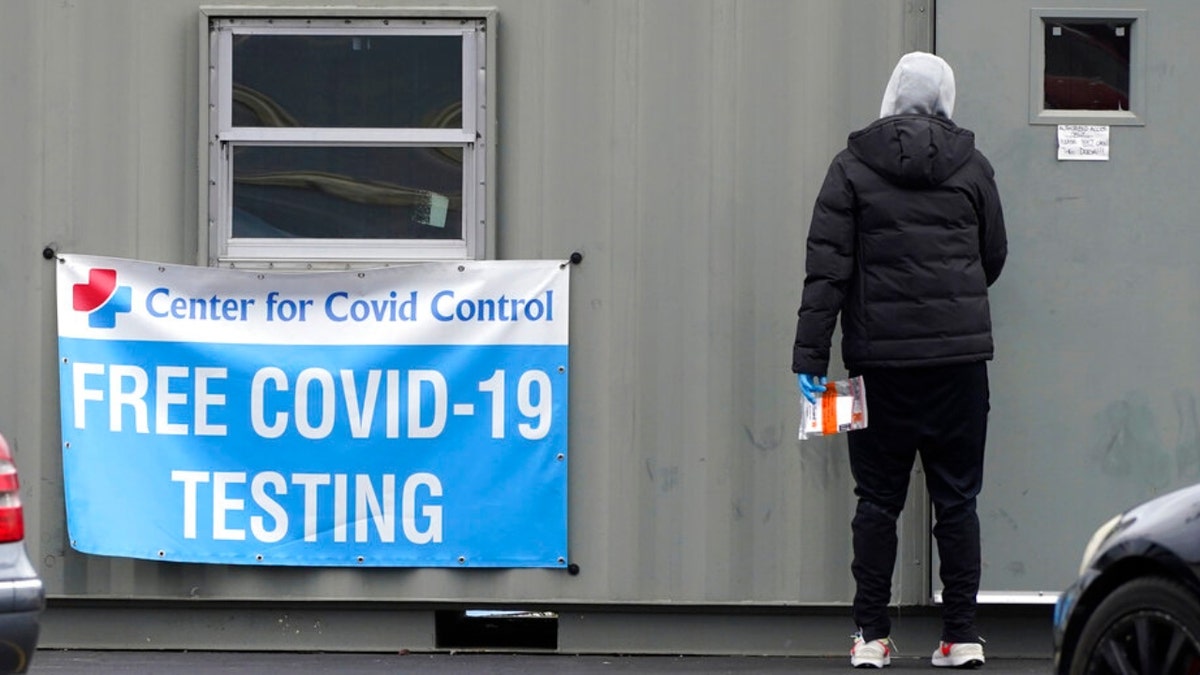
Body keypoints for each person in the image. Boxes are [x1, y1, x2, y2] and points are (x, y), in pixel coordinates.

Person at [792, 52, 1007, 669]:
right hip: (959, 364)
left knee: (877, 501)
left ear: (891, 94)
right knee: (958, 499)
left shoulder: (851, 169)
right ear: (946, 96)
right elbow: (992, 256)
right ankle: (960, 635)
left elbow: (826, 272)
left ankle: (871, 638)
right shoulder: (974, 167)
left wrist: (810, 357)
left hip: (877, 367)